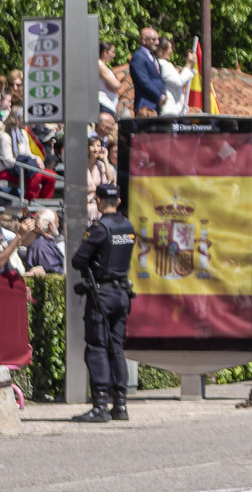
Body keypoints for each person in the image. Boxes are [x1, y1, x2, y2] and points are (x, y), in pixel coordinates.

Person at [72, 181, 137, 422]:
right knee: (116, 347)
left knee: (97, 347)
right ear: (118, 201)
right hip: (121, 293)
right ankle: (120, 404)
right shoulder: (127, 225)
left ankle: (100, 404)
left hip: (102, 295)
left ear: (98, 201)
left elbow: (78, 260)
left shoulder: (99, 228)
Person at [130, 27, 164, 117]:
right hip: (145, 106)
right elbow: (144, 81)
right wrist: (159, 96)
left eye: (158, 39)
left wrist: (164, 94)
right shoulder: (138, 57)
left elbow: (158, 78)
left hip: (156, 105)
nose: (157, 42)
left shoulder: (153, 57)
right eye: (154, 39)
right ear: (144, 40)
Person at [21, 209, 66, 276]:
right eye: (57, 222)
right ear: (51, 225)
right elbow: (54, 271)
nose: (58, 225)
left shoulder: (43, 243)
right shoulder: (42, 245)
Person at [158, 43, 196, 117]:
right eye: (168, 48)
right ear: (161, 50)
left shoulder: (167, 64)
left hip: (175, 111)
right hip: (168, 111)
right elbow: (179, 82)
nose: (171, 51)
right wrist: (188, 65)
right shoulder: (162, 64)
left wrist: (191, 65)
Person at [96, 42, 122, 118]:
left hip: (108, 106)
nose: (114, 55)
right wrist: (118, 84)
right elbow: (116, 85)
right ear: (105, 52)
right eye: (112, 52)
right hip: (104, 106)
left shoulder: (102, 65)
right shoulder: (99, 65)